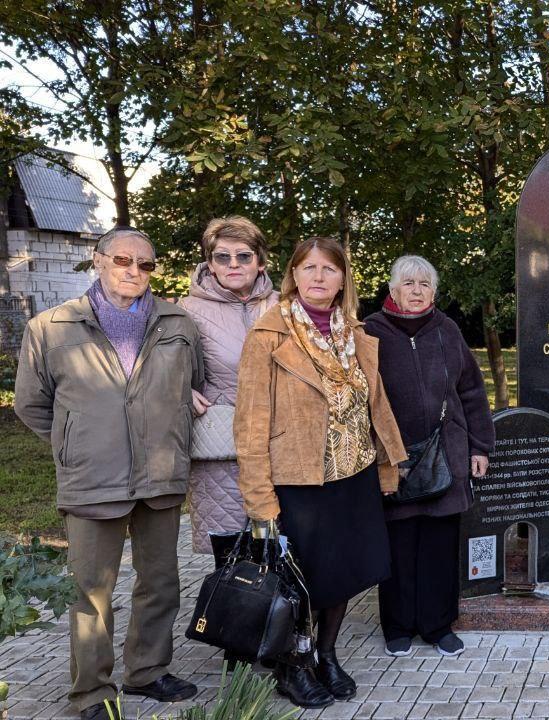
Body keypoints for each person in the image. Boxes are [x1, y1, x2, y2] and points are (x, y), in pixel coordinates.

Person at [15, 227, 203, 720]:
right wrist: (76, 442)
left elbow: (192, 388)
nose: (134, 271)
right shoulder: (51, 326)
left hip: (161, 474)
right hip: (91, 478)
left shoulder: (178, 322)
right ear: (97, 261)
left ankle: (147, 672)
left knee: (161, 582)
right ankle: (91, 693)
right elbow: (32, 406)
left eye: (146, 264)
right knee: (92, 593)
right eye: (123, 260)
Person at [234, 236, 407, 709]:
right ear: (293, 275)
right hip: (299, 480)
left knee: (344, 573)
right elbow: (249, 424)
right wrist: (259, 501)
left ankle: (327, 654)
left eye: (328, 269)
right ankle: (295, 665)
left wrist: (390, 460)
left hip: (353, 475)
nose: (318, 277)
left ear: (342, 279)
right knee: (300, 581)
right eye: (308, 268)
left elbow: (376, 405)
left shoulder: (354, 334)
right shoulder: (268, 337)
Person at [363, 255, 495, 658]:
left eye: (424, 284)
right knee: (400, 545)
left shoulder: (447, 330)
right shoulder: (369, 331)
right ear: (393, 291)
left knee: (439, 545)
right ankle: (398, 626)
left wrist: (480, 446)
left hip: (447, 455)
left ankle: (438, 625)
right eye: (408, 283)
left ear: (434, 292)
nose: (417, 291)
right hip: (394, 459)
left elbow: (471, 391)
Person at [179, 217, 278, 557]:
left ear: (260, 260)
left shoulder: (284, 305)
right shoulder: (188, 310)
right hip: (224, 448)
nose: (233, 264)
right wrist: (181, 389)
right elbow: (160, 366)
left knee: (284, 553)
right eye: (222, 256)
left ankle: (289, 614)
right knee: (232, 562)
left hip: (281, 444)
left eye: (244, 256)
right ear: (210, 262)